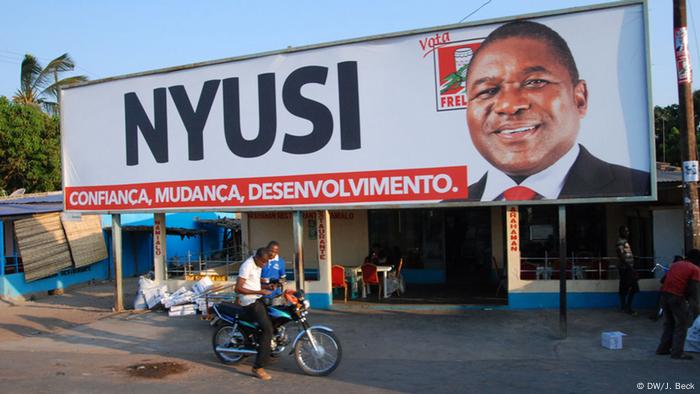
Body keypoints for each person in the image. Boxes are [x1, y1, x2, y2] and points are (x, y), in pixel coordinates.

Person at [462, 20, 649, 201]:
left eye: (535, 82)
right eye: (488, 91)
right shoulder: (451, 208)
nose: (509, 106)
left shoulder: (638, 186)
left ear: (579, 98)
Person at [235, 247, 275, 380]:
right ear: (257, 258)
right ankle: (258, 367)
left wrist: (266, 287)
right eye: (263, 262)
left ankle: (266, 347)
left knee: (274, 319)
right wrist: (259, 292)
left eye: (266, 262)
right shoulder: (247, 266)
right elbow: (238, 288)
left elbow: (253, 285)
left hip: (257, 298)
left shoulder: (257, 265)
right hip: (249, 302)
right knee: (267, 329)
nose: (264, 265)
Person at [655, 248, 700, 360]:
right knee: (682, 324)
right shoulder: (695, 269)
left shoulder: (676, 264)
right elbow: (693, 290)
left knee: (669, 323)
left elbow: (663, 280)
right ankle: (677, 352)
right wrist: (695, 307)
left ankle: (663, 349)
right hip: (676, 296)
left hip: (664, 295)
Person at [616, 226, 639, 315]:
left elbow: (626, 255)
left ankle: (624, 306)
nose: (627, 233)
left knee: (625, 287)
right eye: (625, 231)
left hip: (627, 267)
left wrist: (634, 257)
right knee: (633, 287)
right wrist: (630, 268)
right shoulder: (620, 242)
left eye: (628, 231)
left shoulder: (625, 242)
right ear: (621, 232)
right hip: (626, 268)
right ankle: (627, 307)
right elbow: (621, 256)